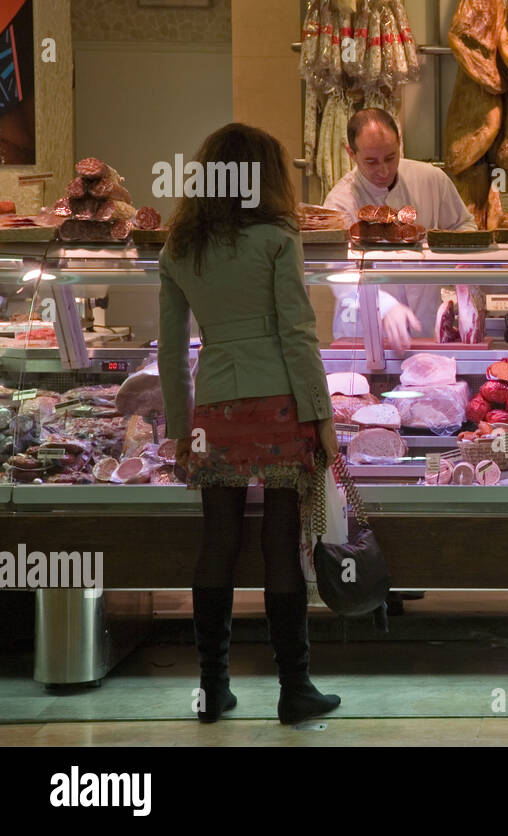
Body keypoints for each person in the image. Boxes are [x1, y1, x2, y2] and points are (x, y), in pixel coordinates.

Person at [158, 122, 341, 726]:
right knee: (280, 544)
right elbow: (297, 332)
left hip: (215, 407)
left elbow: (169, 351)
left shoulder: (180, 248)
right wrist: (321, 415)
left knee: (218, 542)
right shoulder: (277, 238)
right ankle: (295, 689)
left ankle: (213, 688)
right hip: (280, 403)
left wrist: (182, 430)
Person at [324, 107, 476, 351]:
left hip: (425, 327)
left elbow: (464, 225)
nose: (383, 170)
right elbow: (339, 273)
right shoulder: (340, 202)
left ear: (400, 143)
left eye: (391, 157)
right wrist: (384, 306)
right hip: (365, 335)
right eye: (371, 162)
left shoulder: (431, 179)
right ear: (351, 153)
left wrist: (452, 268)